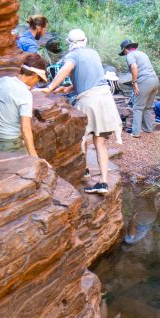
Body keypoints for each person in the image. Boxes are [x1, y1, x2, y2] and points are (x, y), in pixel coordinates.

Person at [40, 28, 119, 195]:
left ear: (70, 43)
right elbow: (89, 79)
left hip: (89, 101)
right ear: (85, 40)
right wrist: (68, 88)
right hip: (105, 99)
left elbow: (65, 70)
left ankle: (85, 170)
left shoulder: (73, 55)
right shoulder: (94, 53)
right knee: (100, 142)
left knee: (81, 138)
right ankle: (103, 182)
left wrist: (50, 88)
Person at [0, 53, 48, 156]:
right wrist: (34, 156)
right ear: (34, 75)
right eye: (39, 79)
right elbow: (25, 129)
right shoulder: (25, 94)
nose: (37, 82)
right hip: (10, 143)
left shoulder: (3, 81)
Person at [119, 38, 160, 137]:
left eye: (124, 52)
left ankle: (136, 132)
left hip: (144, 81)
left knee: (137, 107)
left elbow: (134, 67)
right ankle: (148, 128)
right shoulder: (142, 53)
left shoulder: (130, 55)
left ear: (125, 49)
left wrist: (135, 83)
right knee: (148, 107)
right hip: (154, 80)